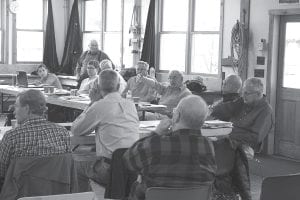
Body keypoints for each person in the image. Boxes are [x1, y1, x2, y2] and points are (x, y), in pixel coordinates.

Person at [123, 95, 217, 200]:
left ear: (176, 116)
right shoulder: (208, 146)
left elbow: (128, 160)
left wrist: (156, 133)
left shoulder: (157, 143)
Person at [71, 69, 139, 191]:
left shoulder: (100, 105)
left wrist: (92, 102)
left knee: (76, 166)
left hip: (109, 168)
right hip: (133, 167)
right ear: (119, 86)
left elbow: (76, 130)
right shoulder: (130, 104)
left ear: (97, 86)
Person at [0, 90, 71, 189]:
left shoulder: (11, 136)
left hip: (20, 194)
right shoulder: (62, 132)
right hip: (55, 193)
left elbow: (2, 173)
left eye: (16, 106)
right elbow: (67, 168)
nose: (14, 111)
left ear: (27, 108)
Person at [210, 77, 273, 151]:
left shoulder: (266, 110)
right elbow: (227, 107)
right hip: (228, 137)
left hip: (243, 145)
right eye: (243, 92)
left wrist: (228, 135)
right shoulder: (243, 101)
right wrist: (210, 110)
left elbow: (255, 137)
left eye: (246, 93)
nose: (243, 95)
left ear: (258, 94)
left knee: (210, 146)